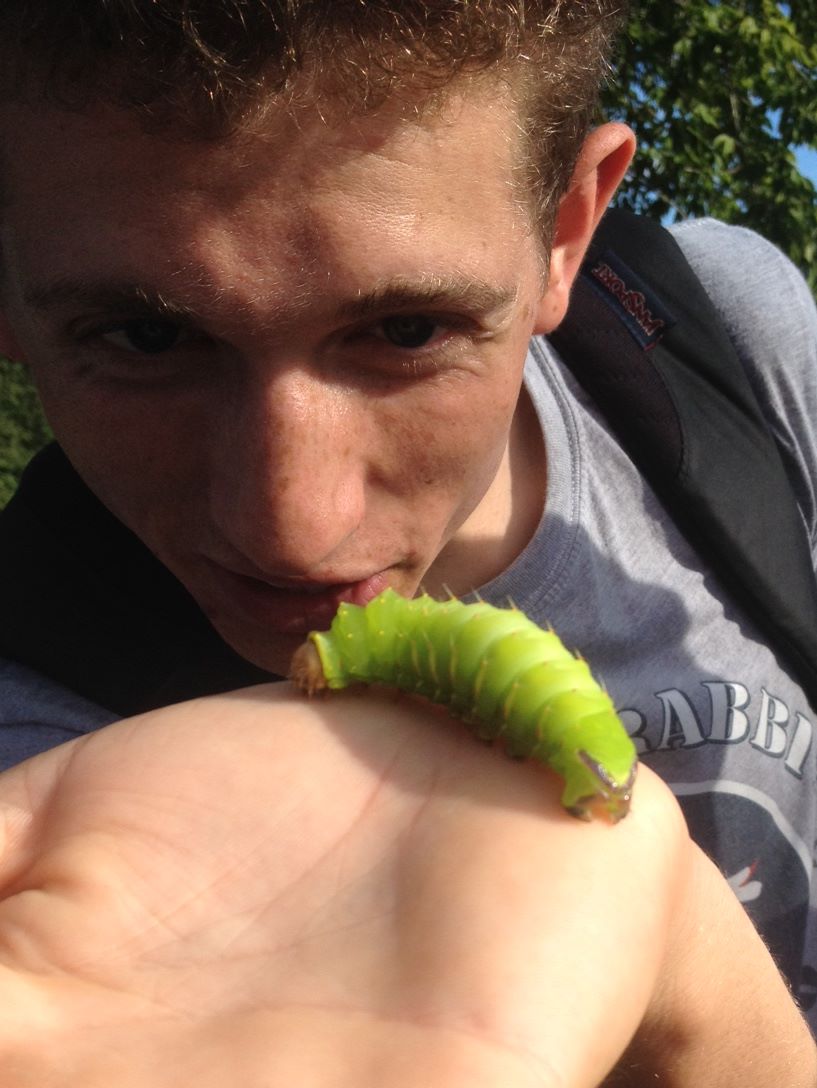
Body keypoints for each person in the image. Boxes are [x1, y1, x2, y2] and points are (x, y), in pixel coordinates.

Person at [0, 1, 814, 1083]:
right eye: (146, 336)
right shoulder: (43, 779)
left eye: (407, 330)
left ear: (567, 231)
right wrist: (683, 964)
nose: (294, 528)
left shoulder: (728, 341)